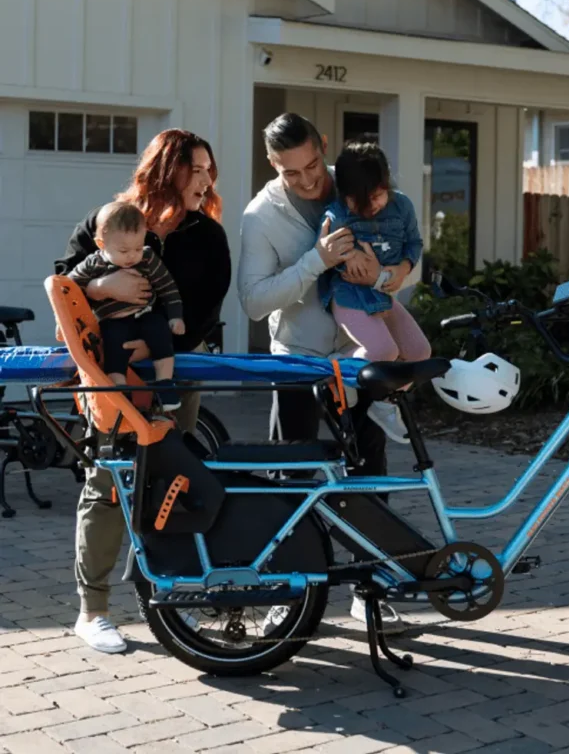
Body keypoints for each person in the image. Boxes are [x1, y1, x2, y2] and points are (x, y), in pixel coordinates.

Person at [55, 129, 231, 654]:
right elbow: (63, 282)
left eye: (209, 170)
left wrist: (147, 351)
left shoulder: (206, 234)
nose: (205, 180)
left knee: (169, 486)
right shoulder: (107, 220)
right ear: (164, 171)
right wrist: (100, 287)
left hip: (170, 377)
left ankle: (167, 598)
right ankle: (93, 611)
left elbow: (202, 311)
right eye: (194, 169)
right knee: (108, 484)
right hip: (107, 381)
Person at [237, 113, 409, 631]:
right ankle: (285, 596)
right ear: (273, 165)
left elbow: (403, 247)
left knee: (369, 475)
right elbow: (251, 301)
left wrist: (395, 274)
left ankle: (370, 591)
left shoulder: (358, 180)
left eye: (313, 164)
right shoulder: (260, 215)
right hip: (298, 361)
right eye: (292, 173)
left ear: (324, 146)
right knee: (290, 481)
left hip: (358, 359)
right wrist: (315, 261)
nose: (309, 180)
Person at [320, 137, 431, 443]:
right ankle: (335, 370)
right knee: (385, 351)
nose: (373, 206)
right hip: (348, 297)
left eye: (379, 195)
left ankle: (382, 403)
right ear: (346, 194)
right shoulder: (337, 215)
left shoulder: (402, 206)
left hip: (381, 294)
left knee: (419, 352)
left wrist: (402, 269)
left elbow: (413, 243)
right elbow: (330, 252)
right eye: (362, 200)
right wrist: (348, 256)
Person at [67, 201, 186, 412]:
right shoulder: (93, 264)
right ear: (101, 244)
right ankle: (119, 393)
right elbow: (68, 286)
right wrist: (95, 287)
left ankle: (164, 383)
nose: (132, 255)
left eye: (138, 247)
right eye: (123, 250)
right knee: (114, 348)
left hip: (145, 315)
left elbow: (168, 287)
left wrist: (175, 317)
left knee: (160, 331)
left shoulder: (148, 258)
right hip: (113, 321)